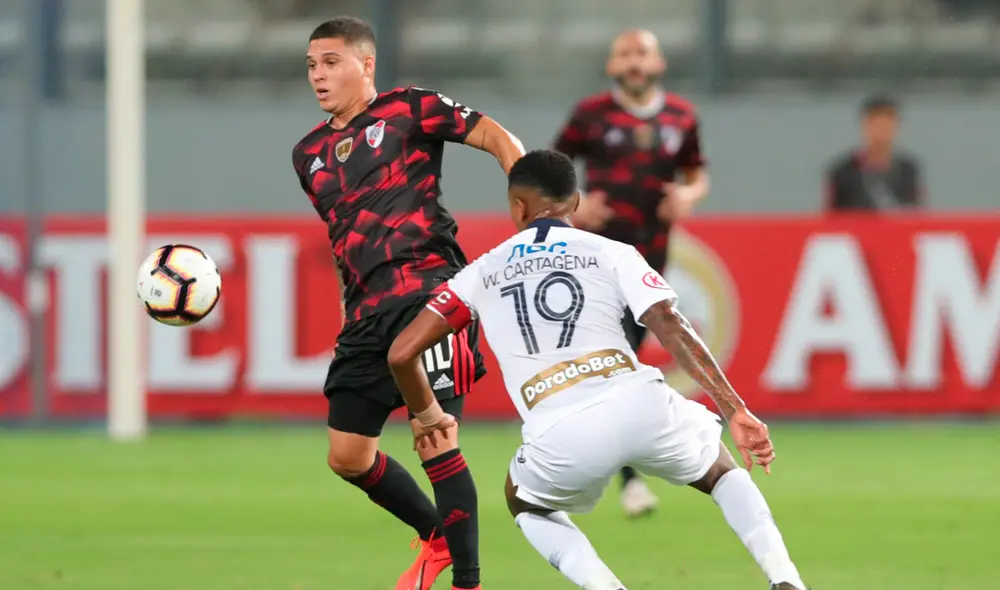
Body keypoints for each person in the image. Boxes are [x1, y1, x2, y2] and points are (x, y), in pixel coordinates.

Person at [387, 150, 808, 590]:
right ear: (575, 202)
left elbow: (401, 354)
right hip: (637, 402)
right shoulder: (612, 251)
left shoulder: (481, 272)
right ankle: (786, 580)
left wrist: (428, 412)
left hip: (560, 429)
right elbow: (670, 324)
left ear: (517, 207)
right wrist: (735, 408)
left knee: (525, 503)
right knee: (720, 470)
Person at [291, 17, 524, 590]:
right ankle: (435, 533)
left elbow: (495, 135)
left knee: (437, 436)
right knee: (346, 455)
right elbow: (346, 239)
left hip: (431, 298)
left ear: (365, 64)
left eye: (331, 62)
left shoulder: (410, 108)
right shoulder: (309, 155)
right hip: (366, 314)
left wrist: (530, 204)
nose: (319, 76)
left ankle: (467, 581)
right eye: (311, 66)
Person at [553, 28, 711, 517]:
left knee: (620, 361)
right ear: (612, 66)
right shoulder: (591, 114)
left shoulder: (681, 116)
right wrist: (576, 203)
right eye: (625, 54)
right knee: (616, 359)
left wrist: (687, 195)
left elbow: (696, 172)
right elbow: (553, 168)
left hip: (651, 258)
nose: (634, 62)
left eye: (642, 53)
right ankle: (626, 477)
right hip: (598, 257)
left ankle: (590, 465)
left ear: (658, 63)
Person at [824, 95, 924, 212]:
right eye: (876, 124)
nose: (882, 132)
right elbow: (829, 217)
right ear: (865, 126)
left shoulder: (908, 170)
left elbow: (918, 213)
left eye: (887, 124)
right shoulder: (844, 172)